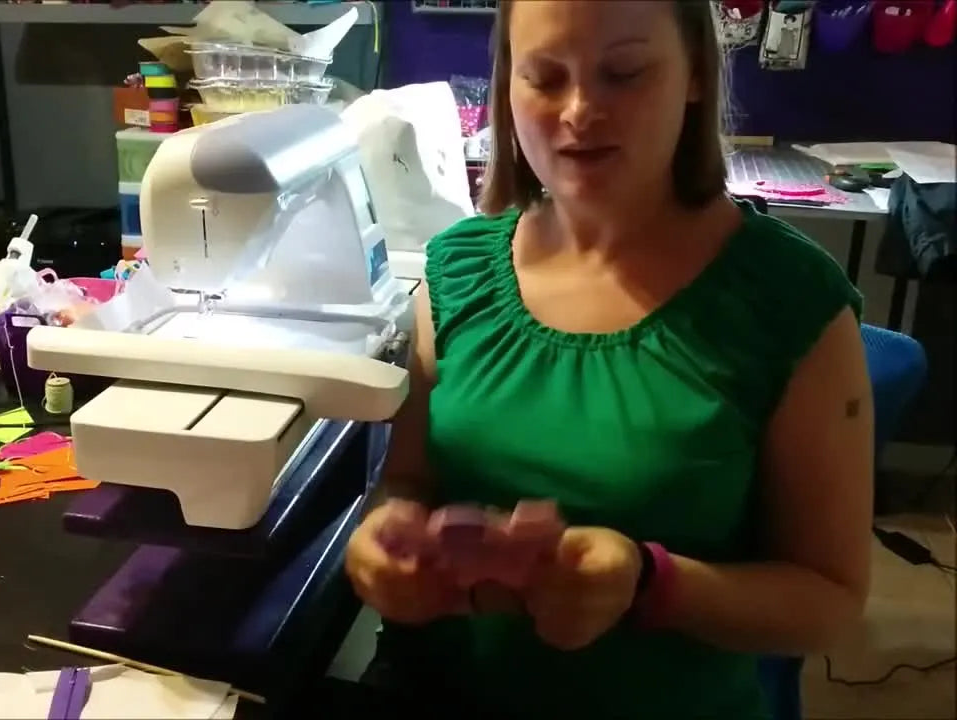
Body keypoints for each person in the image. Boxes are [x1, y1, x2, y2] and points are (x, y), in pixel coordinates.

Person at [344, 2, 873, 718]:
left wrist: (651, 583)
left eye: (624, 73)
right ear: (507, 84)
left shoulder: (791, 303)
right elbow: (406, 481)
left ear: (693, 73)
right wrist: (382, 539)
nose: (581, 110)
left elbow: (830, 603)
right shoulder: (456, 270)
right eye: (543, 76)